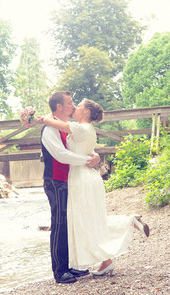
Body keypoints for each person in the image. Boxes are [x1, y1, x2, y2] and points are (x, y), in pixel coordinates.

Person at [40, 98, 150, 277]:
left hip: (81, 178)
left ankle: (105, 253)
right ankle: (123, 231)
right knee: (91, 219)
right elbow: (80, 149)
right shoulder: (82, 128)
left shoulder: (78, 127)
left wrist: (39, 118)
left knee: (85, 222)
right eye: (70, 103)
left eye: (78, 105)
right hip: (86, 177)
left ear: (87, 112)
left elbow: (62, 144)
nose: (75, 106)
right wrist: (93, 157)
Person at [40, 91, 100, 284]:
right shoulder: (50, 130)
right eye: (69, 103)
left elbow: (80, 144)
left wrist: (94, 155)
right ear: (59, 107)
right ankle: (59, 271)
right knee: (59, 224)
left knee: (71, 221)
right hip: (55, 181)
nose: (73, 106)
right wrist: (86, 161)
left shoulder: (66, 127)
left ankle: (70, 265)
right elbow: (61, 155)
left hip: (70, 180)